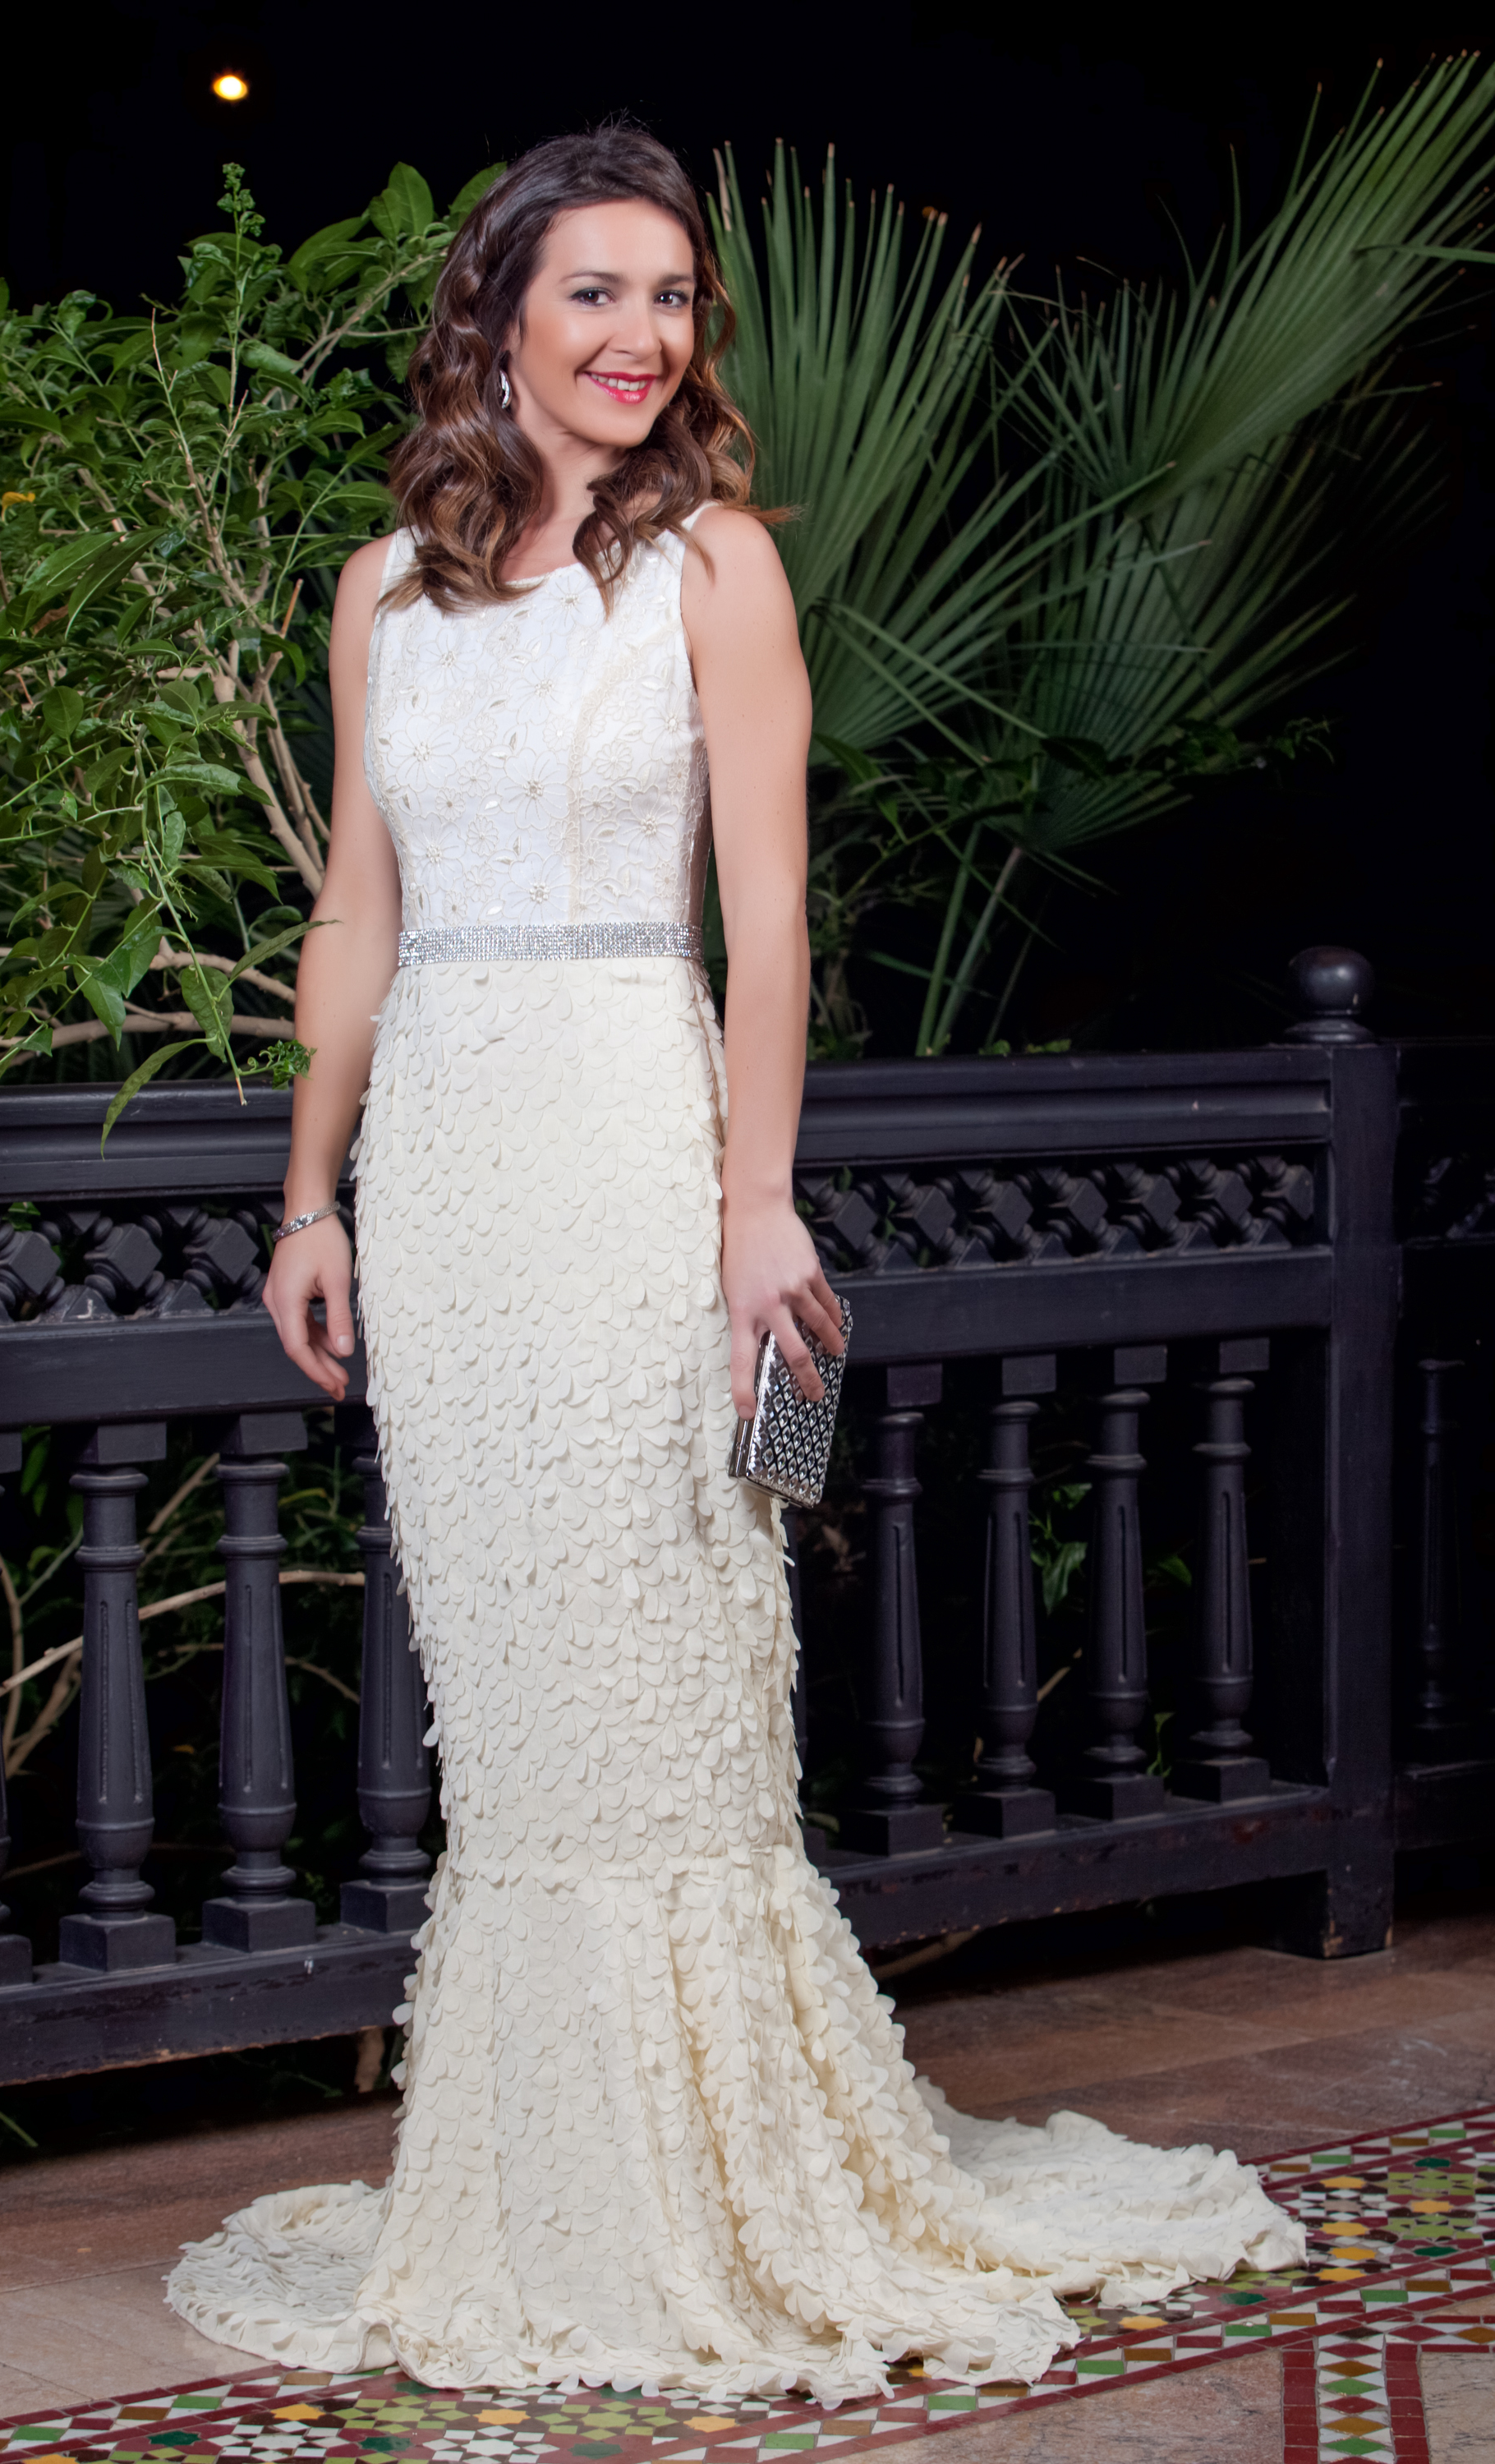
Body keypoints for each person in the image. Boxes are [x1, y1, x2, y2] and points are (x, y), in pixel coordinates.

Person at [166, 124, 1300, 2401]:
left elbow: (766, 917)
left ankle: (708, 2187)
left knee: (658, 1659)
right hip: (446, 1170)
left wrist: (753, 1198)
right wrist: (309, 1198)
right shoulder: (383, 590)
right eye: (594, 291)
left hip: (630, 1131)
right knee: (512, 1695)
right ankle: (542, 2183)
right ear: (498, 311)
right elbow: (357, 913)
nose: (641, 335)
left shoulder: (719, 568)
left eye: (671, 297)